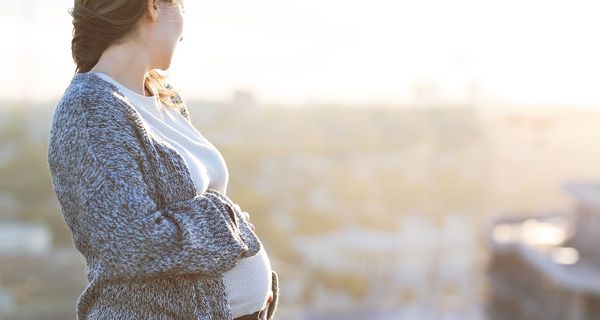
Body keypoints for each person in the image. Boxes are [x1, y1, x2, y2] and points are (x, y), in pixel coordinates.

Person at [46, 0, 279, 319]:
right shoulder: (90, 110)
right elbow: (133, 244)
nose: (184, 26)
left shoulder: (161, 95)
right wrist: (228, 222)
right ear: (153, 6)